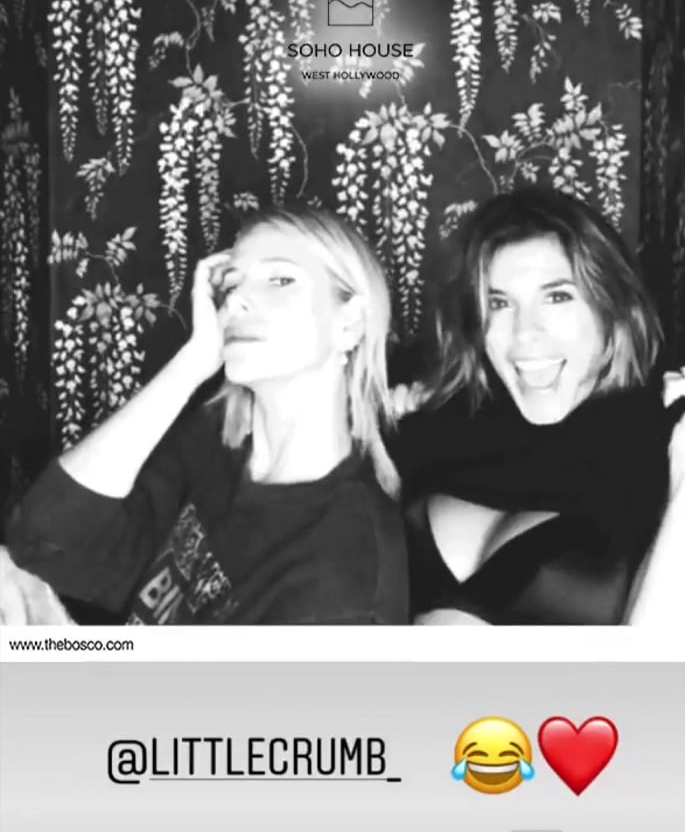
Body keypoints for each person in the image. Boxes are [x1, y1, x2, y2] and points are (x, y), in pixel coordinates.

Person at [2, 206, 409, 626]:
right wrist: (193, 363)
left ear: (350, 323)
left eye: (280, 280)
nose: (238, 300)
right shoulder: (213, 441)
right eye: (232, 283)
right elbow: (42, 539)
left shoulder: (346, 576)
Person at [391, 187, 685, 627]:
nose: (525, 333)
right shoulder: (431, 423)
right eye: (499, 303)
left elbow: (671, 665)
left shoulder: (670, 443)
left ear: (614, 309)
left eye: (557, 297)